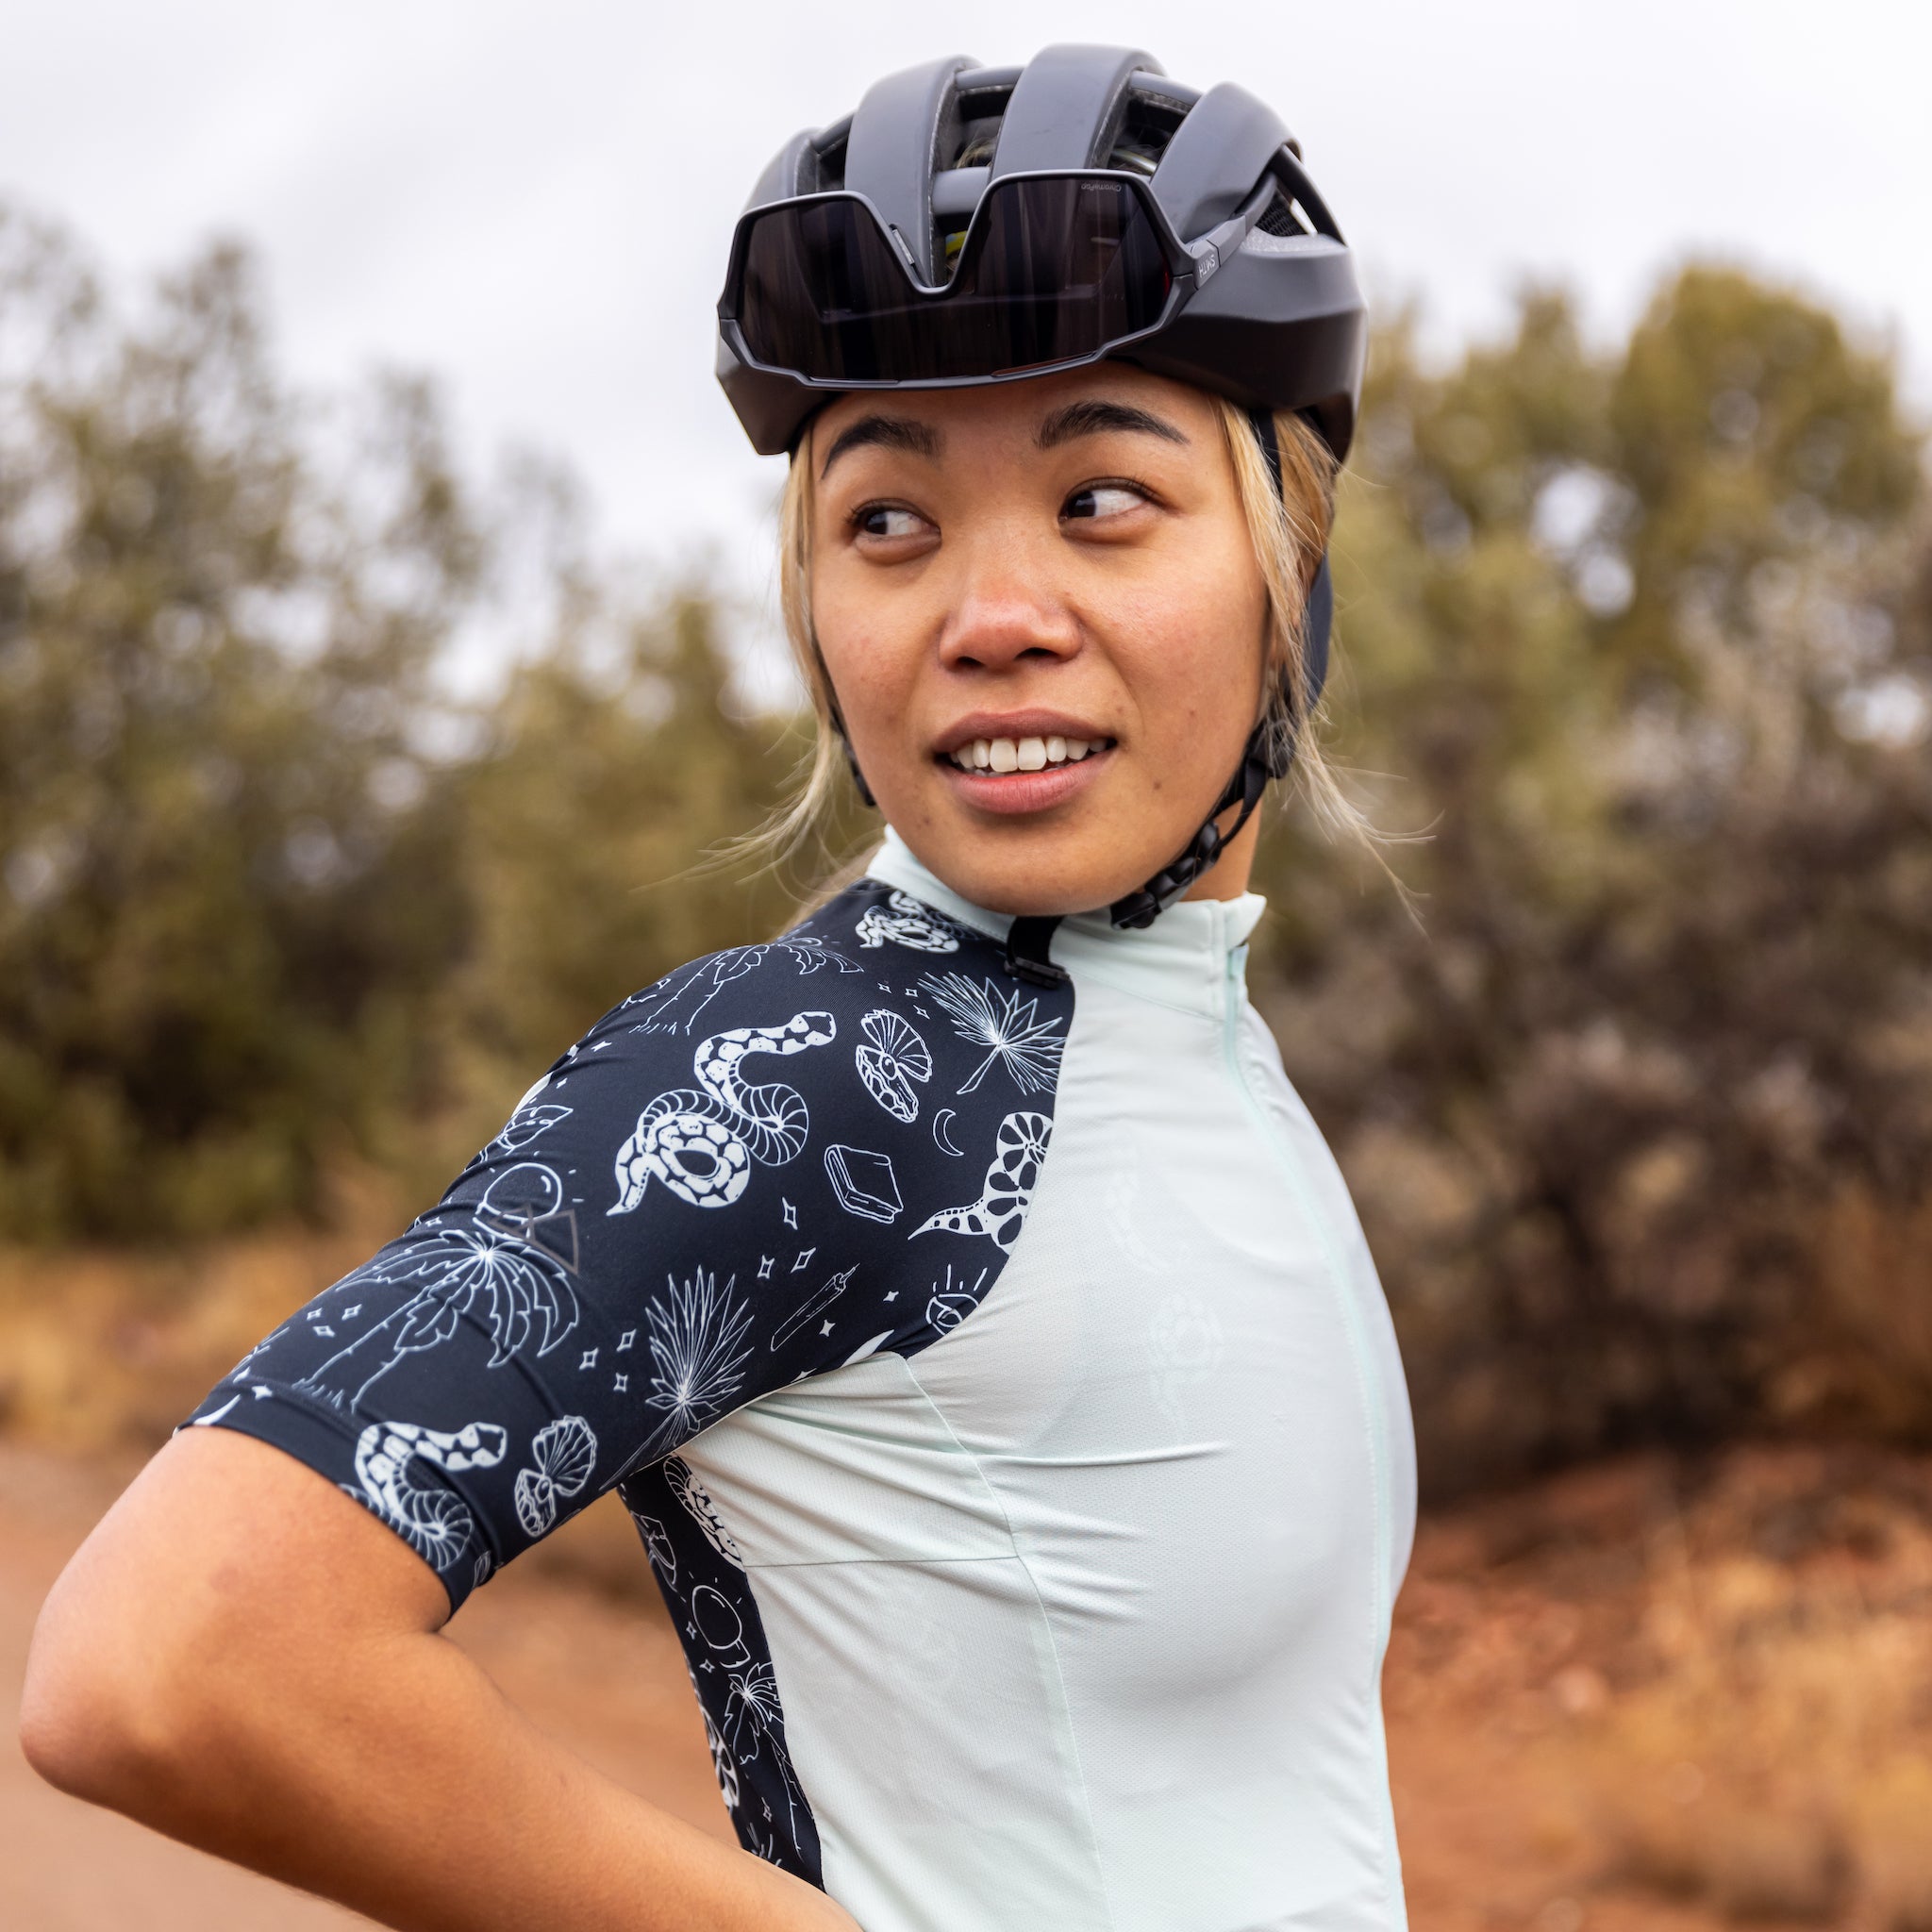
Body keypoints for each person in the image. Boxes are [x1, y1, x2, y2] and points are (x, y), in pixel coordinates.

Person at [23, 44, 1417, 1932]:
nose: (988, 611)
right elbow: (173, 1662)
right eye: (888, 522)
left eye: (1100, 498)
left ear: (1287, 572)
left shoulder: (1187, 1028)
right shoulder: (823, 1070)